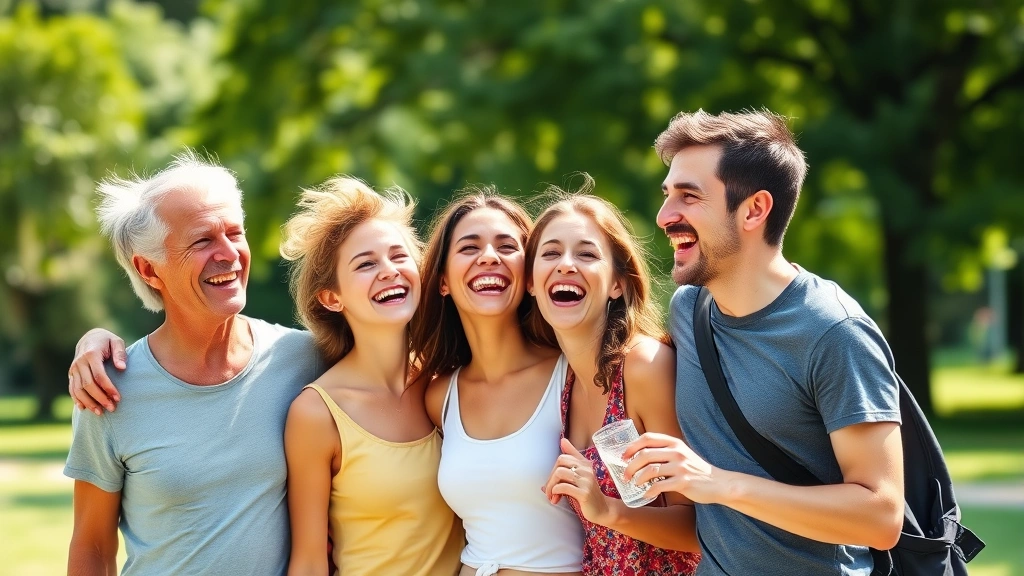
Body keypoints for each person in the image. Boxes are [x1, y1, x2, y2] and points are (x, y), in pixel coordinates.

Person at [622, 110, 904, 575]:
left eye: (689, 196)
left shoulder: (833, 332)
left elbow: (881, 516)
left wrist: (717, 483)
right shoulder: (689, 309)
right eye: (667, 194)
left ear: (754, 209)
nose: (665, 215)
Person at [64, 152, 323, 575]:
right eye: (202, 240)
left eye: (235, 233)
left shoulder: (304, 359)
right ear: (149, 269)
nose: (229, 254)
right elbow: (92, 548)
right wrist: (91, 341)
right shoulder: (109, 391)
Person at [280, 178, 462, 576]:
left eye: (400, 256)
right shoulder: (317, 414)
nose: (389, 271)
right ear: (332, 297)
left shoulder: (450, 381)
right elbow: (309, 562)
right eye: (366, 263)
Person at [528, 183, 700, 575]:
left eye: (586, 253)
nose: (566, 264)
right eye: (550, 253)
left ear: (617, 283)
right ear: (531, 283)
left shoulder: (644, 366)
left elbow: (697, 527)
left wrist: (607, 510)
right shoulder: (564, 379)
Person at [411, 189, 584, 576]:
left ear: (528, 276)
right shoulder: (438, 396)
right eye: (469, 248)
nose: (489, 257)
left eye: (507, 246)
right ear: (442, 281)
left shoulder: (572, 375)